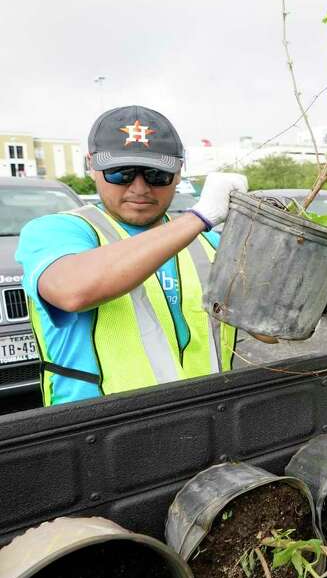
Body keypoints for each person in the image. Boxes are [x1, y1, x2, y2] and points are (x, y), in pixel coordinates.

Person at [15, 105, 244, 405]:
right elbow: (72, 290)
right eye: (120, 173)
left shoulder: (209, 243)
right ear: (92, 167)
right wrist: (199, 217)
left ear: (178, 173)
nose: (139, 187)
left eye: (155, 174)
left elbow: (270, 332)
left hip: (204, 420)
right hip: (98, 433)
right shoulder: (56, 231)